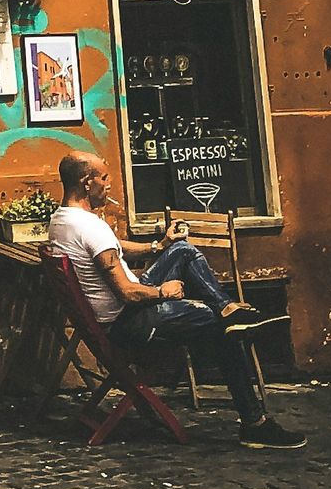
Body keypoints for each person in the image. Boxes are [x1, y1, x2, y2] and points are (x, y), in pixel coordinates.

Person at [48, 153, 304, 451]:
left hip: (110, 318)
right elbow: (127, 293)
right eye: (104, 178)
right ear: (86, 182)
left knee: (182, 250)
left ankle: (227, 307)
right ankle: (254, 423)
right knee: (220, 327)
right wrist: (163, 292)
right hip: (129, 322)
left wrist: (160, 245)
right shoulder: (90, 227)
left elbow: (114, 249)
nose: (109, 184)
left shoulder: (61, 221)